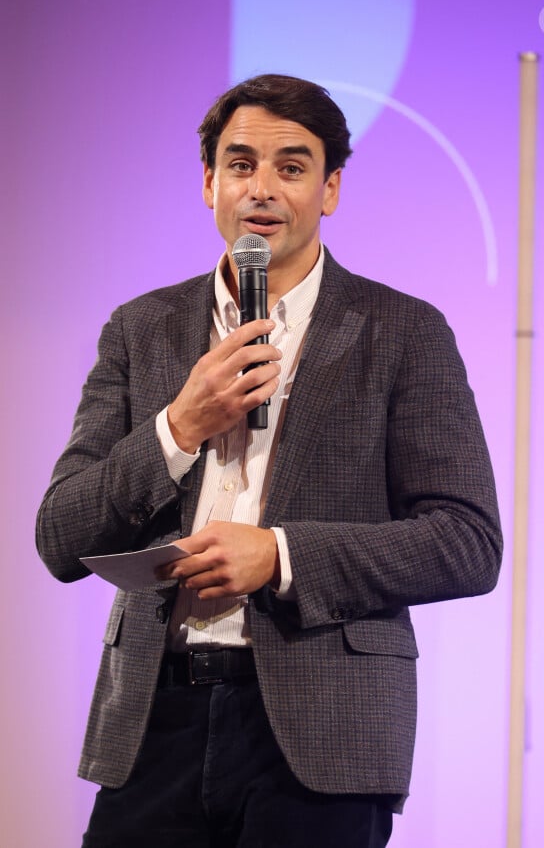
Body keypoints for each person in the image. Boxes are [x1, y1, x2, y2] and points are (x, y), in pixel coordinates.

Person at [36, 74, 502, 848]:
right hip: (156, 719)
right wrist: (179, 427)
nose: (263, 188)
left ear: (331, 190)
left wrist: (279, 555)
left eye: (292, 166)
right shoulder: (140, 328)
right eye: (241, 163)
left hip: (323, 735)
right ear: (210, 182)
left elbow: (466, 541)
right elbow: (59, 536)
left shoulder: (403, 331)